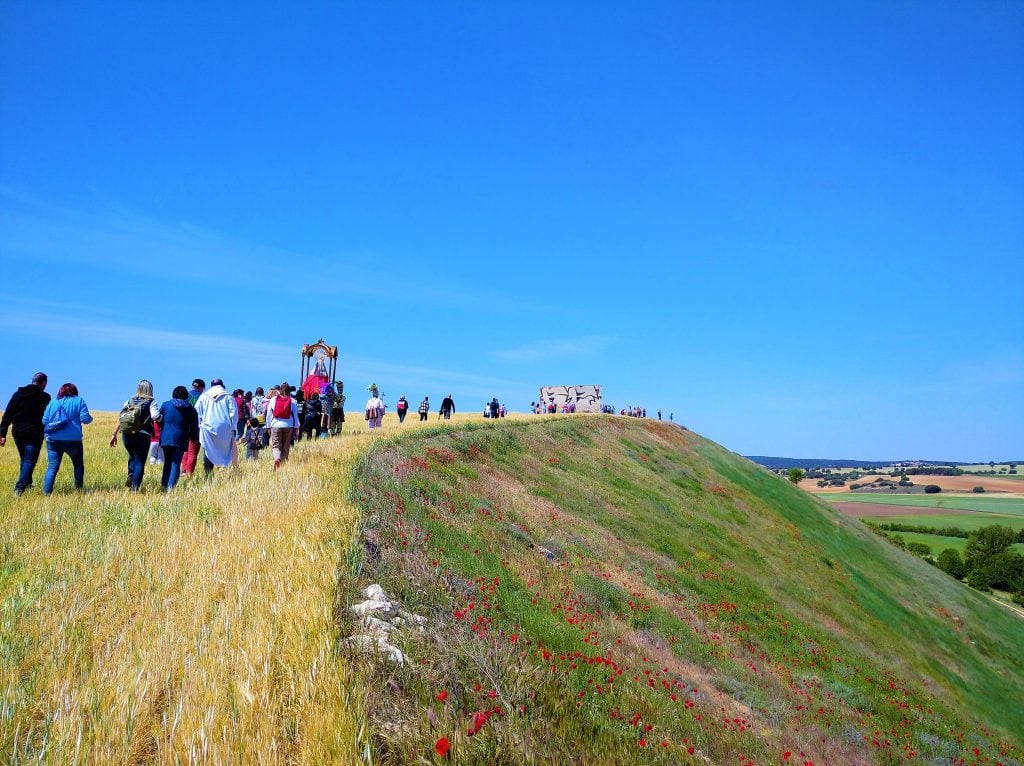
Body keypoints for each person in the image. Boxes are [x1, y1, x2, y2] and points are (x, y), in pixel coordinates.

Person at [1, 371, 51, 496]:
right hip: (34, 433)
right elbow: (48, 417)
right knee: (29, 460)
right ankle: (19, 488)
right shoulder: (45, 397)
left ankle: (28, 484)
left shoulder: (18, 395)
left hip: (17, 432)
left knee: (25, 459)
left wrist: (2, 434)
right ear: (43, 383)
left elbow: (7, 415)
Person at [40, 382, 92, 495]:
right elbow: (85, 419)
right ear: (75, 391)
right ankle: (79, 490)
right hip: (73, 440)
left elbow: (44, 421)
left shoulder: (53, 401)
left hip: (52, 439)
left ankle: (47, 493)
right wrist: (90, 418)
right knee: (78, 465)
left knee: (52, 466)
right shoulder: (79, 400)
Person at [110, 380, 161, 491]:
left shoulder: (129, 401)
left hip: (127, 434)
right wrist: (162, 419)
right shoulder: (151, 401)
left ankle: (131, 474)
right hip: (143, 435)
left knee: (132, 454)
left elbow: (121, 417)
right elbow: (155, 416)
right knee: (140, 461)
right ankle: (134, 488)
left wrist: (114, 434)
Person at [158, 385, 199, 491]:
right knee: (176, 463)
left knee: (167, 461)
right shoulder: (190, 409)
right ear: (186, 396)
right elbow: (194, 426)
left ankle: (164, 484)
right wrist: (195, 438)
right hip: (181, 438)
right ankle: (171, 488)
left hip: (166, 437)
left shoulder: (166, 405)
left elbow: (159, 420)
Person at [195, 378, 239, 474]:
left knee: (208, 449)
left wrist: (200, 424)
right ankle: (225, 469)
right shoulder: (228, 396)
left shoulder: (203, 396)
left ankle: (208, 473)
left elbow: (197, 411)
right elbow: (234, 413)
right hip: (224, 428)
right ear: (222, 385)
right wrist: (233, 426)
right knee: (225, 450)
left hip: (207, 426)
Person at [265, 383, 299, 468]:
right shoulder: (293, 401)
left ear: (280, 390)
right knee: (286, 445)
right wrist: (296, 428)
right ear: (289, 391)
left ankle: (277, 459)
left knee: (276, 444)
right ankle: (283, 464)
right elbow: (295, 415)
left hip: (276, 424)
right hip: (288, 425)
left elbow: (269, 414)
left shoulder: (273, 399)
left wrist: (268, 426)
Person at [181, 378, 205, 476]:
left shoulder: (185, 395)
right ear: (201, 388)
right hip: (196, 427)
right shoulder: (203, 397)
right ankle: (189, 474)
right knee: (193, 452)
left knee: (185, 450)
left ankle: (183, 470)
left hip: (183, 426)